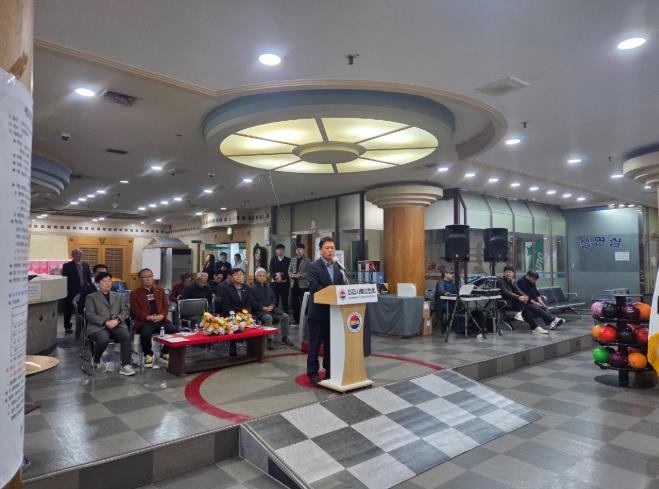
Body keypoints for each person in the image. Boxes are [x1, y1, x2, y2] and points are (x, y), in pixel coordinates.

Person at [307, 237, 345, 385]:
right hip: (318, 312)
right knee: (315, 344)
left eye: (332, 248)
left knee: (331, 344)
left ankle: (330, 370)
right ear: (320, 250)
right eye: (327, 248)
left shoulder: (337, 268)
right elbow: (314, 287)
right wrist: (333, 292)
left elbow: (341, 287)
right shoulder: (313, 266)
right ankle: (313, 373)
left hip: (333, 313)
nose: (330, 250)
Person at [84, 272, 135, 376]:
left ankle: (125, 365)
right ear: (98, 283)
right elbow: (90, 314)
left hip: (116, 325)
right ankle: (96, 359)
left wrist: (117, 320)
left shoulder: (119, 296)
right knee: (103, 339)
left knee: (126, 336)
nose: (108, 283)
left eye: (109, 281)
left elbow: (125, 310)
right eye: (104, 281)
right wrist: (105, 322)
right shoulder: (91, 297)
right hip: (98, 326)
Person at [130, 268, 178, 367]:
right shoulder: (135, 293)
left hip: (160, 319)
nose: (148, 279)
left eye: (150, 276)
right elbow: (135, 310)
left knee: (174, 330)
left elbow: (165, 306)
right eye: (145, 277)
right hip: (145, 321)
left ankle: (164, 353)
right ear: (140, 279)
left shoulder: (160, 290)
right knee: (145, 333)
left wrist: (162, 315)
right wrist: (147, 317)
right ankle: (148, 355)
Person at [215, 268, 257, 356]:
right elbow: (226, 306)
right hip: (230, 313)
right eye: (236, 275)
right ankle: (232, 345)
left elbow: (249, 303)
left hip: (244, 313)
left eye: (241, 274)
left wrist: (246, 313)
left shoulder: (246, 288)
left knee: (253, 319)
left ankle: (252, 347)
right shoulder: (226, 289)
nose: (239, 276)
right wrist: (238, 314)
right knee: (233, 321)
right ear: (231, 277)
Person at [497, 266, 548, 334]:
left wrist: (525, 297)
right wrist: (518, 297)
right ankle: (535, 325)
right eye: (506, 272)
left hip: (514, 302)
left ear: (513, 273)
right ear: (504, 273)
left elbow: (519, 290)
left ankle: (534, 326)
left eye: (510, 272)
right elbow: (506, 292)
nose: (508, 274)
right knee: (527, 307)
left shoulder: (512, 281)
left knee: (526, 308)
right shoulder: (500, 281)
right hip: (505, 303)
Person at [252, 268, 293, 349]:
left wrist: (272, 306)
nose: (262, 277)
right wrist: (263, 308)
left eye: (264, 276)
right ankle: (269, 339)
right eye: (260, 276)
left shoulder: (268, 287)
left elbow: (274, 299)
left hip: (272, 309)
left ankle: (285, 337)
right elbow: (252, 302)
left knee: (285, 316)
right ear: (256, 277)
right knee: (268, 318)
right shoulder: (253, 289)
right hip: (260, 311)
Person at [61, 248, 93, 333]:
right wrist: (66, 290)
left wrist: (90, 287)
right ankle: (67, 326)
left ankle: (84, 324)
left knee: (84, 307)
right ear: (72, 255)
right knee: (68, 308)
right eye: (76, 253)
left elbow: (89, 277)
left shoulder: (85, 265)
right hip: (72, 290)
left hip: (84, 289)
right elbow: (65, 279)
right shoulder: (67, 266)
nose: (78, 255)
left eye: (80, 254)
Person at [288, 244, 310, 324]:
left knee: (304, 303)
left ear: (304, 250)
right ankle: (296, 319)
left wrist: (300, 275)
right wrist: (292, 275)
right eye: (297, 249)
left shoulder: (307, 260)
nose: (299, 251)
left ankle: (304, 319)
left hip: (303, 285)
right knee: (294, 302)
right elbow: (289, 271)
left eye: (300, 249)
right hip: (294, 284)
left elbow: (309, 273)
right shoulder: (293, 259)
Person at [269, 244, 291, 313]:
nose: (279, 251)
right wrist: (276, 278)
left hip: (284, 284)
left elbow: (289, 271)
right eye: (278, 249)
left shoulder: (288, 260)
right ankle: (275, 315)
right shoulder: (273, 260)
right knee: (275, 300)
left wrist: (281, 277)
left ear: (283, 250)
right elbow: (271, 271)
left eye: (281, 249)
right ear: (276, 251)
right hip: (274, 284)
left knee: (285, 300)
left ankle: (286, 315)